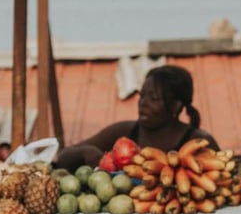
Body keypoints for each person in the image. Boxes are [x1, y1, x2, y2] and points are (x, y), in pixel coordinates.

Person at [56, 64, 219, 172]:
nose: (143, 103)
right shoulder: (124, 132)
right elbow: (63, 156)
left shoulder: (199, 141)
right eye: (142, 96)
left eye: (153, 99)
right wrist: (86, 152)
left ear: (176, 106)